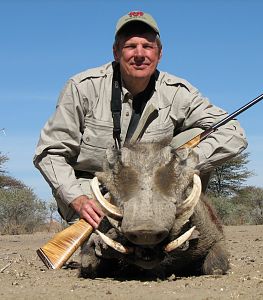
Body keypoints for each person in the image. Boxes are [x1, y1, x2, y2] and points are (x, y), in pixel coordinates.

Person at [34, 11, 247, 229]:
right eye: (130, 46)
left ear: (159, 53)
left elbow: (233, 132)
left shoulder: (178, 92)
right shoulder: (82, 87)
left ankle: (177, 226)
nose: (139, 54)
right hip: (94, 191)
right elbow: (50, 152)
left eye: (147, 46)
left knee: (196, 137)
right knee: (106, 249)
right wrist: (77, 200)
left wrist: (182, 166)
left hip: (153, 189)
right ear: (116, 52)